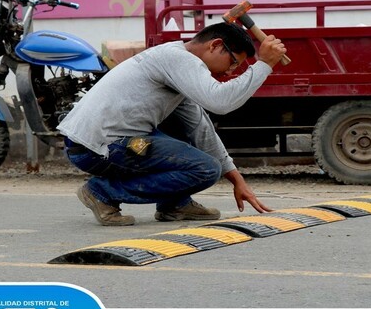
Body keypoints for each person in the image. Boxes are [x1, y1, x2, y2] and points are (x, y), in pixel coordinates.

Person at [57, 22, 287, 226]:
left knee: (184, 132)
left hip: (112, 144)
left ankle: (174, 204)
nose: (229, 72)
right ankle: (101, 192)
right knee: (205, 169)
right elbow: (221, 102)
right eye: (233, 63)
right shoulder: (178, 59)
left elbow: (200, 128)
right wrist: (264, 64)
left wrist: (237, 179)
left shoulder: (176, 67)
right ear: (215, 46)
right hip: (102, 147)